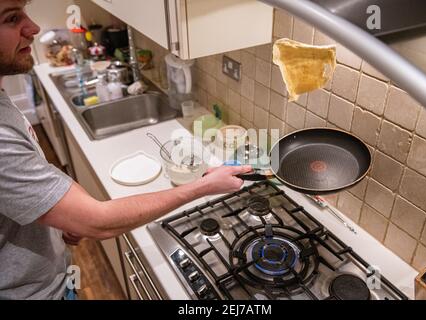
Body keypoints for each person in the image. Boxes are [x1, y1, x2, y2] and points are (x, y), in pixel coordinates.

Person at [0, 0, 252, 300]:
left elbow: (27, 170)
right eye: (12, 18)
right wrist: (203, 186)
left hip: (50, 281)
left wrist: (61, 208)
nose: (33, 27)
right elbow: (100, 222)